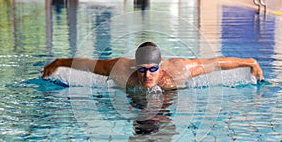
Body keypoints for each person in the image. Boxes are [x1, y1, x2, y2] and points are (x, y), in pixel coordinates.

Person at [42, 41, 264, 90]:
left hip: (168, 99)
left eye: (152, 69)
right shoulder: (120, 68)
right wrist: (59, 62)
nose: (147, 75)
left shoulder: (178, 71)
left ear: (161, 66)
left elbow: (216, 63)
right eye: (142, 69)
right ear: (135, 66)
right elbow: (87, 64)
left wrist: (250, 63)